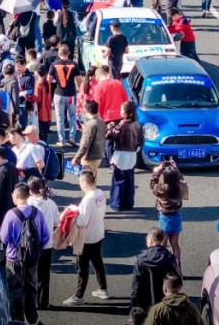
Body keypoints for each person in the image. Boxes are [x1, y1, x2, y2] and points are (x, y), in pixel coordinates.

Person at [0, 183, 48, 325]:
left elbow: (4, 238)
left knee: (15, 291)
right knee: (31, 288)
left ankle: (18, 320)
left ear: (16, 195)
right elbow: (45, 236)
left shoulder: (11, 214)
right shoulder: (37, 213)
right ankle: (32, 319)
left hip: (14, 259)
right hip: (32, 258)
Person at [63, 170, 109, 306]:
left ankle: (79, 296)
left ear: (84, 182)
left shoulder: (87, 200)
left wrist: (73, 217)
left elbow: (82, 222)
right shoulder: (100, 193)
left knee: (82, 268)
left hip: (86, 238)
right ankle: (103, 289)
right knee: (97, 262)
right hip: (98, 233)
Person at [130, 227, 179, 314]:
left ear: (150, 240)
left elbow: (136, 284)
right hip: (166, 305)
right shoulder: (170, 258)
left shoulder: (141, 259)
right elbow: (176, 281)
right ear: (163, 240)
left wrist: (135, 304)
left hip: (146, 305)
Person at [26, 177, 57, 310]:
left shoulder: (29, 202)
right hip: (47, 244)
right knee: (44, 274)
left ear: (30, 190)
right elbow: (57, 222)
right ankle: (44, 302)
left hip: (31, 244)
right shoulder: (51, 203)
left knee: (30, 273)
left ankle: (31, 301)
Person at [108, 101, 143, 211]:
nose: (120, 111)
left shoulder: (121, 124)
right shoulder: (137, 125)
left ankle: (117, 204)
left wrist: (110, 127)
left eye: (121, 109)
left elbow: (110, 136)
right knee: (129, 181)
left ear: (126, 112)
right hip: (132, 156)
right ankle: (129, 203)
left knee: (118, 180)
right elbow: (141, 141)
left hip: (120, 155)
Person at [150, 160, 185, 269]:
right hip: (176, 217)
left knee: (163, 245)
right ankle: (177, 267)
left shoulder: (161, 189)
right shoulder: (180, 187)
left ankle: (163, 268)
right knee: (175, 244)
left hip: (164, 219)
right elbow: (182, 180)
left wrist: (158, 170)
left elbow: (153, 184)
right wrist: (176, 169)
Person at [0, 147, 18, 263]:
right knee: (8, 233)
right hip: (10, 206)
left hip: (1, 209)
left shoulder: (1, 171)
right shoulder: (11, 167)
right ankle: (7, 258)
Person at [48, 44, 80, 147]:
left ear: (59, 53)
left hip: (59, 93)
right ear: (69, 53)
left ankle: (62, 140)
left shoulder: (54, 64)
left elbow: (48, 80)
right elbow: (79, 81)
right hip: (71, 94)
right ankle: (72, 137)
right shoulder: (74, 64)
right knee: (72, 116)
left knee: (59, 117)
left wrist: (55, 81)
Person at [72, 100, 106, 182]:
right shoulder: (101, 121)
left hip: (90, 158)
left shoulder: (91, 124)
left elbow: (85, 144)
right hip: (98, 155)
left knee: (87, 182)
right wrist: (85, 131)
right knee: (93, 179)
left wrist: (76, 158)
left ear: (86, 110)